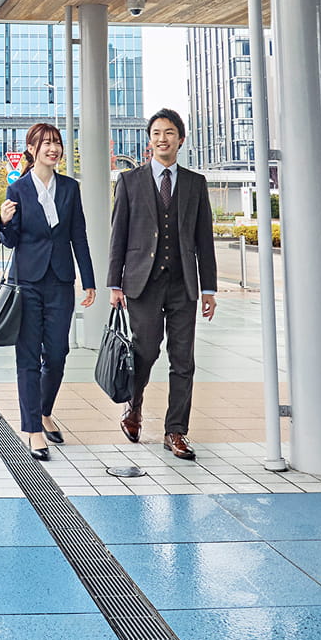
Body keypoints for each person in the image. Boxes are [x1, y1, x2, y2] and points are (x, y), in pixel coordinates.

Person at [107, 108, 217, 461]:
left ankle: (176, 431)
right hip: (142, 282)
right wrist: (114, 283)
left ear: (180, 140)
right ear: (149, 139)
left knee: (183, 360)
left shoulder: (195, 183)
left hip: (183, 282)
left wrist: (209, 289)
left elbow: (204, 240)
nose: (162, 138)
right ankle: (134, 406)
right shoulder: (129, 181)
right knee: (146, 350)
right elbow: (118, 236)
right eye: (156, 132)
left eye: (169, 132)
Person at [0, 123, 96, 460]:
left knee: (56, 355)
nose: (53, 149)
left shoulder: (70, 187)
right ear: (31, 149)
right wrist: (4, 221)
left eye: (57, 143)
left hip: (60, 281)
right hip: (26, 281)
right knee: (28, 357)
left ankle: (44, 410)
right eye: (46, 144)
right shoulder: (19, 189)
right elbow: (9, 242)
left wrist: (89, 279)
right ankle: (33, 429)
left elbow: (78, 235)